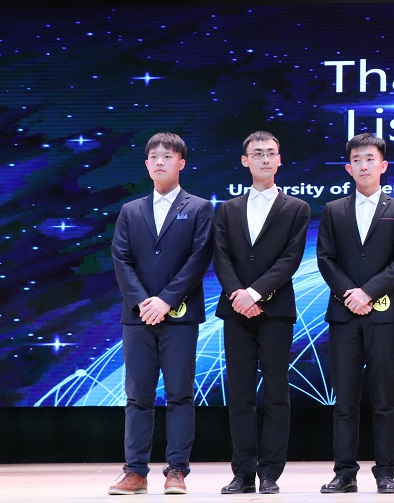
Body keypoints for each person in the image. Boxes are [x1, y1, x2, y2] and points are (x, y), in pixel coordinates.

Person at [109, 132, 214, 495]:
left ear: (181, 163)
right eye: (153, 156)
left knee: (179, 394)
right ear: (146, 164)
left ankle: (177, 471)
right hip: (137, 317)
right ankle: (135, 472)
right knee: (137, 395)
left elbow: (199, 259)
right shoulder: (130, 210)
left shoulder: (199, 208)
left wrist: (166, 300)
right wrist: (143, 301)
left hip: (180, 316)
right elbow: (121, 259)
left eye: (167, 156)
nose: (159, 161)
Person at [317, 133, 394, 494]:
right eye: (356, 160)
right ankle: (344, 472)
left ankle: (386, 471)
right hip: (344, 314)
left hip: (383, 315)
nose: (363, 165)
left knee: (385, 397)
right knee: (344, 399)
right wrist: (350, 294)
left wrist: (369, 292)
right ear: (348, 168)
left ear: (383, 165)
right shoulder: (333, 210)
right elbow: (325, 258)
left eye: (370, 159)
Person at [213, 131, 310, 495]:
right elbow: (221, 257)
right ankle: (242, 473)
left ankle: (270, 472)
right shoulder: (227, 209)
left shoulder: (297, 208)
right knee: (239, 395)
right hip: (235, 311)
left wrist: (255, 293)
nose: (264, 159)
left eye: (270, 153)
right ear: (245, 161)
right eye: (257, 153)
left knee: (276, 395)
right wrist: (238, 295)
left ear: (279, 160)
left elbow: (290, 259)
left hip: (276, 311)